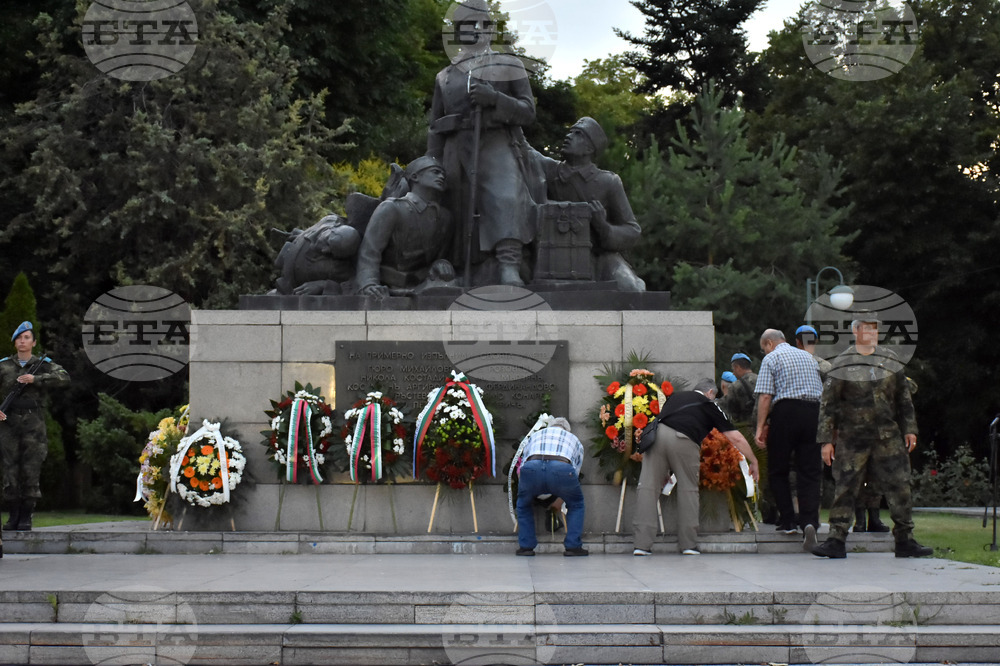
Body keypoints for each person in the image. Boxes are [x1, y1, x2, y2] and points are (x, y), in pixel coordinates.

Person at [427, 0, 539, 287]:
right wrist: (431, 162)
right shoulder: (444, 76)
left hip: (495, 141)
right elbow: (434, 127)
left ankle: (509, 264)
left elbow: (527, 111)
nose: (475, 30)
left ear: (490, 29)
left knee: (505, 196)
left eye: (480, 24)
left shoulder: (509, 65)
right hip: (456, 146)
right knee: (455, 205)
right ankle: (454, 268)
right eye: (466, 26)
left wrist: (495, 99)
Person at [811, 314, 932, 559]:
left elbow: (903, 398)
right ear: (855, 333)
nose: (872, 333)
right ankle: (836, 539)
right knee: (845, 486)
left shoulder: (890, 359)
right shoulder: (843, 363)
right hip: (852, 438)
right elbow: (829, 404)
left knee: (900, 485)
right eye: (866, 329)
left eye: (875, 329)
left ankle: (905, 540)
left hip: (887, 436)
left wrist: (910, 429)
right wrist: (826, 441)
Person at [633, 378, 759, 556]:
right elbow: (736, 438)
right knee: (688, 489)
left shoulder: (675, 397)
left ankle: (641, 545)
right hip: (685, 439)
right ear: (710, 393)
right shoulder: (709, 405)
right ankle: (688, 545)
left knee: (647, 487)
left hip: (656, 437)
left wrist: (665, 469)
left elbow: (667, 421)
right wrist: (753, 460)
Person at [531, 117, 645, 291]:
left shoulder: (608, 181)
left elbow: (632, 230)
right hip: (554, 255)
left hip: (598, 257)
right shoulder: (550, 170)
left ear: (590, 148)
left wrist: (604, 227)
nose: (568, 136)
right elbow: (522, 148)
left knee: (629, 289)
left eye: (578, 134)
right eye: (570, 131)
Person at [755, 329, 823, 549]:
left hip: (786, 412)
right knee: (810, 471)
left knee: (778, 469)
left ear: (768, 343)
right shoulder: (808, 357)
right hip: (813, 413)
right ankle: (810, 521)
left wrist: (760, 427)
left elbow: (766, 396)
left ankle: (787, 520)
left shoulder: (771, 357)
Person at [0, 322, 70, 532]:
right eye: (19, 338)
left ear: (33, 342)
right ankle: (13, 515)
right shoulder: (3, 365)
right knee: (9, 469)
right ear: (14, 343)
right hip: (8, 422)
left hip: (33, 423)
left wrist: (36, 379)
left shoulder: (42, 364)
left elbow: (64, 378)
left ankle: (26, 516)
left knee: (31, 468)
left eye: (27, 337)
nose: (23, 341)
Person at [354, 156, 456, 298]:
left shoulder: (445, 218)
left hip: (422, 284)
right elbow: (370, 251)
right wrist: (368, 284)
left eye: (443, 174)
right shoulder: (392, 208)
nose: (441, 176)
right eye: (435, 172)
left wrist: (441, 264)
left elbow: (437, 257)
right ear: (415, 177)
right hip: (387, 283)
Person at [514, 417, 587, 556]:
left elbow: (522, 463)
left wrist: (524, 488)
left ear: (550, 426)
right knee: (576, 504)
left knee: (523, 504)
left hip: (532, 467)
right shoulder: (574, 439)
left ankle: (526, 547)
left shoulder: (535, 435)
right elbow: (575, 473)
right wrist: (560, 500)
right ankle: (573, 546)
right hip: (561, 468)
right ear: (567, 430)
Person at [717, 353, 756, 425]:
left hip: (746, 429)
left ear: (737, 367)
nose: (733, 373)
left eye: (733, 369)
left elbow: (727, 409)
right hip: (765, 428)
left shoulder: (735, 386)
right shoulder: (762, 380)